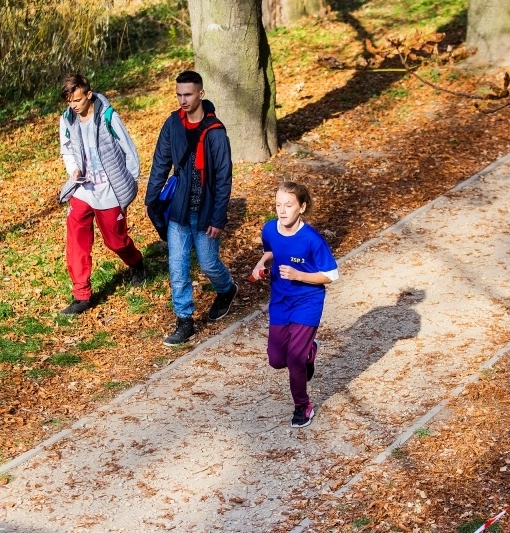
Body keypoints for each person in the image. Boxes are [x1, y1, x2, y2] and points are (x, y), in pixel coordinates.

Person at [146, 70, 238, 346]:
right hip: (179, 209)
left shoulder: (216, 131)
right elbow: (160, 162)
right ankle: (184, 319)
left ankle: (226, 288)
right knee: (177, 266)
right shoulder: (173, 124)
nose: (183, 100)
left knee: (209, 263)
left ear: (201, 94)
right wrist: (151, 200)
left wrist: (218, 217)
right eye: (179, 95)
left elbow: (223, 178)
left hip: (206, 210)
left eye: (187, 94)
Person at [251, 182, 339, 428]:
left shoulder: (312, 240)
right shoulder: (269, 229)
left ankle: (302, 406)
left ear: (301, 207)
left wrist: (299, 275)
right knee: (277, 360)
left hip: (307, 302)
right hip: (280, 300)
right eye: (278, 205)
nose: (282, 210)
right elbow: (270, 252)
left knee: (294, 359)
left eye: (288, 205)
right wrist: (261, 265)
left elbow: (331, 275)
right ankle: (310, 352)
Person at [57, 73, 146, 315]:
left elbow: (130, 151)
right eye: (69, 102)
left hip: (110, 192)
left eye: (77, 100)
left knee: (116, 241)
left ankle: (137, 263)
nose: (73, 106)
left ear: (88, 94)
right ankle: (81, 295)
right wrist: (73, 169)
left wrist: (127, 185)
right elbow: (67, 150)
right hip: (83, 190)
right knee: (76, 241)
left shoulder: (108, 117)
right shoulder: (67, 120)